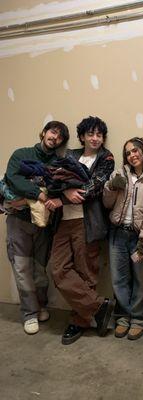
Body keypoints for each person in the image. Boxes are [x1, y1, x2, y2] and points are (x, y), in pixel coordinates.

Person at [50, 116, 115, 345]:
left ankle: (79, 320)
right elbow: (52, 181)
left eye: (99, 135)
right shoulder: (69, 156)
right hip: (63, 221)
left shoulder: (106, 157)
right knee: (58, 270)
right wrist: (64, 194)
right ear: (82, 137)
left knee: (86, 272)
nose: (95, 138)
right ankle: (98, 306)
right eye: (91, 134)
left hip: (87, 222)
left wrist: (66, 195)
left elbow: (95, 186)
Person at [4, 121, 70, 334]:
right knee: (22, 269)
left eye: (60, 136)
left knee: (40, 270)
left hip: (44, 225)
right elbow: (13, 179)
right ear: (43, 132)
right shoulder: (21, 154)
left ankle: (40, 305)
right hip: (18, 222)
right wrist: (39, 194)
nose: (55, 137)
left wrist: (37, 196)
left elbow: (59, 189)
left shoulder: (58, 163)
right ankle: (29, 313)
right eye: (52, 131)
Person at [103, 137, 143, 340]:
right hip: (117, 233)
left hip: (138, 236)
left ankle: (140, 319)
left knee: (141, 280)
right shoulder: (118, 174)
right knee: (119, 279)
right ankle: (123, 318)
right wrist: (110, 187)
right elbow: (107, 203)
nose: (132, 155)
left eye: (136, 150)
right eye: (128, 152)